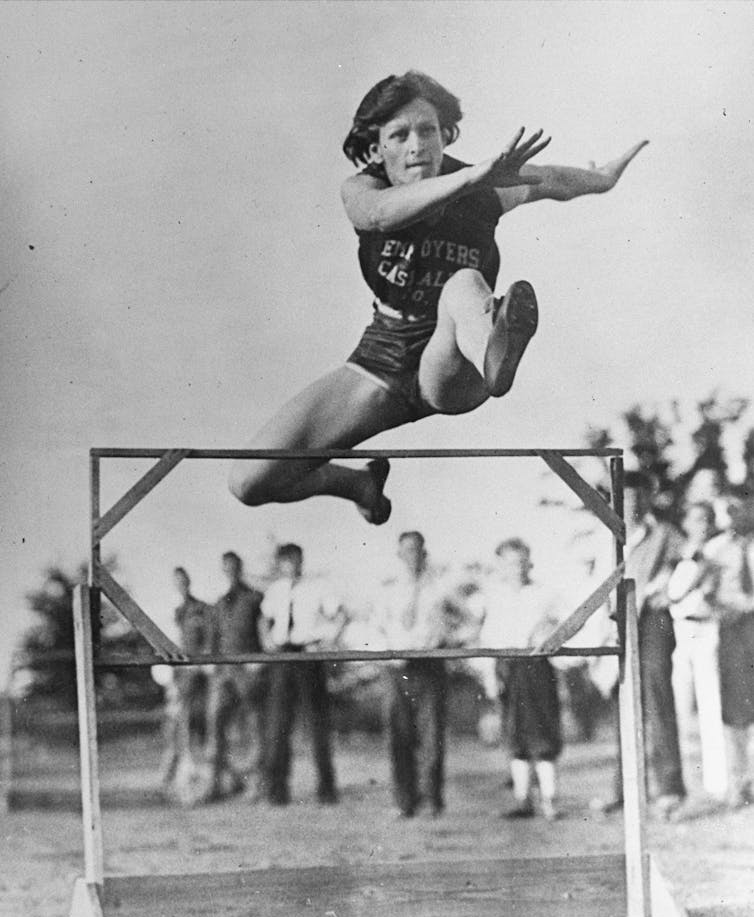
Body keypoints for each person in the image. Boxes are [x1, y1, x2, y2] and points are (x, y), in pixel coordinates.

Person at [228, 70, 648, 524]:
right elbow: (381, 216)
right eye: (400, 134)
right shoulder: (364, 188)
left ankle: (494, 345)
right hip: (381, 357)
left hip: (452, 361)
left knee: (463, 283)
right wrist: (470, 180)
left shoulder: (489, 186)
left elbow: (552, 180)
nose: (417, 145)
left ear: (445, 135)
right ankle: (356, 484)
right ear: (377, 147)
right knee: (248, 481)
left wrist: (601, 178)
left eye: (428, 130)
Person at [476, 538, 564, 821]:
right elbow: (488, 639)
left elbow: (561, 624)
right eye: (509, 563)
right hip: (507, 667)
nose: (516, 568)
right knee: (515, 736)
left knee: (543, 735)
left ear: (530, 562)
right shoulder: (494, 596)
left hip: (537, 667)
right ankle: (522, 799)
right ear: (500, 566)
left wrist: (548, 632)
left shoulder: (544, 594)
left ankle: (549, 800)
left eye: (520, 561)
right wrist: (491, 675)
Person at [619, 471, 686, 818]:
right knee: (622, 704)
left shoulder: (664, 533)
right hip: (618, 623)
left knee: (656, 697)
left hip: (653, 624)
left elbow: (686, 564)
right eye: (625, 496)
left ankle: (669, 790)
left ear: (649, 496)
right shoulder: (612, 535)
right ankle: (624, 790)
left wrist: (663, 588)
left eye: (637, 496)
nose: (631, 503)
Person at [377, 531, 456, 818]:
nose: (412, 556)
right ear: (399, 555)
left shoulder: (441, 587)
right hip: (397, 669)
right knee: (399, 737)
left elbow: (468, 618)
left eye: (417, 550)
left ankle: (434, 801)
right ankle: (403, 802)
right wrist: (389, 652)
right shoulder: (387, 589)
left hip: (430, 666)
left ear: (425, 553)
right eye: (406, 551)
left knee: (432, 736)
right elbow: (376, 626)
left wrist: (446, 638)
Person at [260, 543, 343, 806]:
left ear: (302, 561)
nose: (291, 565)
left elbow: (339, 614)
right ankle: (277, 791)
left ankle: (326, 790)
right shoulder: (275, 590)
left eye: (295, 560)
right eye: (286, 561)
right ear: (280, 564)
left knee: (317, 725)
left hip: (308, 656)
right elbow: (263, 619)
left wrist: (327, 639)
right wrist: (267, 640)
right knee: (278, 724)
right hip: (283, 658)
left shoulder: (317, 587)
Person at [667, 502, 727, 802]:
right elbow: (671, 593)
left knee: (710, 703)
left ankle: (716, 782)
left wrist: (703, 566)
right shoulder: (677, 550)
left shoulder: (717, 551)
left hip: (706, 628)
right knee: (679, 705)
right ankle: (683, 782)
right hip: (679, 630)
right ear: (686, 522)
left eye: (707, 519)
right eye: (696, 519)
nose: (702, 525)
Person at [706, 495, 754, 808]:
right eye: (728, 513)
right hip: (734, 631)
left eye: (739, 511)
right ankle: (740, 783)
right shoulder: (715, 551)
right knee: (737, 710)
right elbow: (704, 592)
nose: (734, 518)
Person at [206, 551, 265, 800]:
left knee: (253, 727)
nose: (230, 571)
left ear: (241, 568)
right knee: (215, 725)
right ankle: (217, 783)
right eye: (226, 567)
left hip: (248, 669)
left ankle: (255, 784)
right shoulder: (219, 603)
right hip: (223, 672)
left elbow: (264, 632)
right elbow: (213, 639)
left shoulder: (254, 598)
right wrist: (213, 667)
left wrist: (259, 662)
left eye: (234, 567)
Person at [159, 567, 213, 793]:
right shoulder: (167, 611)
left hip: (196, 678)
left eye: (184, 581)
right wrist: (169, 679)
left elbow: (206, 642)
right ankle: (167, 780)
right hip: (176, 680)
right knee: (175, 727)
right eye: (177, 581)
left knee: (197, 725)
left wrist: (201, 668)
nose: (181, 585)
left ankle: (200, 780)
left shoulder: (199, 609)